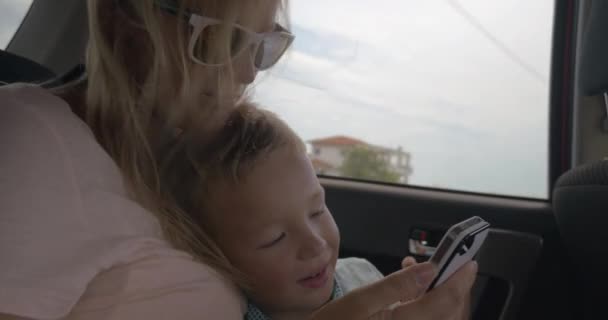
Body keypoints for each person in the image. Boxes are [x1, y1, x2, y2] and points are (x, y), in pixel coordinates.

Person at [0, 0, 477, 319]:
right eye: (224, 40)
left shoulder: (200, 158)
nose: (249, 70)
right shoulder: (27, 143)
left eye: (265, 45)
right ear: (126, 18)